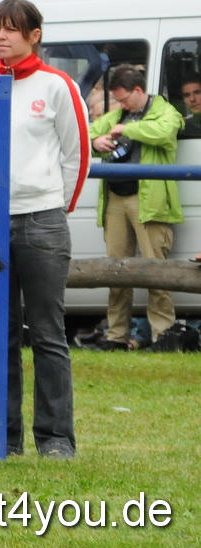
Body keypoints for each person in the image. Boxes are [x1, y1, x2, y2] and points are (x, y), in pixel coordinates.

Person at [0, 0, 86, 459]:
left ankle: (56, 438)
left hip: (42, 221)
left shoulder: (58, 85)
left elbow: (77, 153)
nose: (1, 36)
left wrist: (55, 205)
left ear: (34, 35)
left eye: (11, 29)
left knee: (48, 333)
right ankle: (4, 438)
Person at [86, 65, 184, 350]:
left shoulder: (165, 111)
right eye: (117, 100)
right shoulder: (118, 114)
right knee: (116, 270)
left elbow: (165, 132)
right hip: (115, 199)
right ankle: (116, 335)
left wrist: (127, 128)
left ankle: (162, 335)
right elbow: (89, 132)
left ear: (139, 90)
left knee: (157, 271)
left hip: (149, 201)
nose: (121, 105)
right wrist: (96, 141)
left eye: (125, 99)